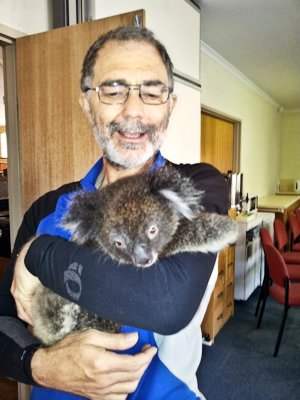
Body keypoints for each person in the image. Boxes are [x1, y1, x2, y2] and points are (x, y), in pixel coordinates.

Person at [0, 26, 229, 400]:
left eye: (152, 91)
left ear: (170, 105)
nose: (133, 110)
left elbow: (166, 303)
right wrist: (39, 365)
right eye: (113, 89)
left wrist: (37, 254)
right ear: (87, 103)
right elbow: (4, 320)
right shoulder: (48, 208)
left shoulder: (194, 187)